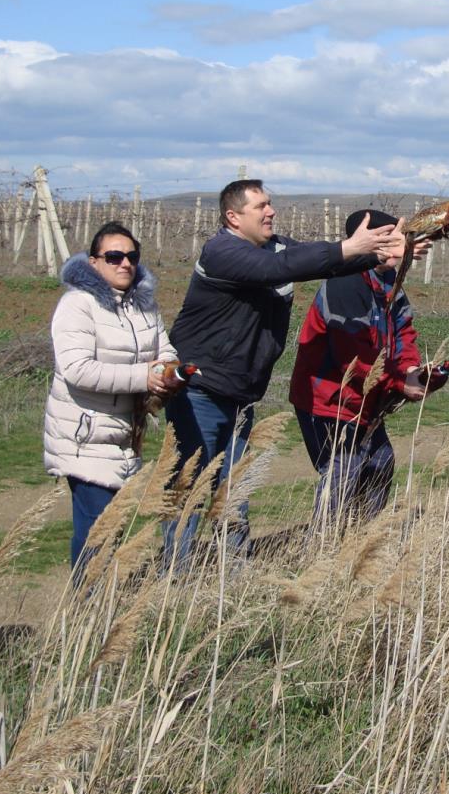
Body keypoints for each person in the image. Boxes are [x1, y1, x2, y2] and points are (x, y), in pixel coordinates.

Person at [164, 179, 403, 563]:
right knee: (189, 488)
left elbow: (318, 260)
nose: (271, 211)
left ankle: (231, 571)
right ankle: (174, 575)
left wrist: (379, 255)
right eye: (261, 206)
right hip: (201, 390)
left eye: (270, 203)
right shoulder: (222, 251)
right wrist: (350, 248)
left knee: (235, 491)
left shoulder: (274, 247)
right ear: (233, 217)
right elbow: (280, 268)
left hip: (241, 394)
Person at [43, 222, 181, 568]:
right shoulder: (77, 305)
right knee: (98, 530)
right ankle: (87, 597)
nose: (125, 263)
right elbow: (77, 369)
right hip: (85, 434)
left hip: (125, 433)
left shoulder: (144, 306)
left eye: (132, 256)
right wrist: (143, 377)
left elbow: (164, 349)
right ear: (93, 262)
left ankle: (99, 595)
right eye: (114, 256)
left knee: (111, 528)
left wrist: (168, 372)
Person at [289, 209, 433, 528]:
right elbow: (352, 358)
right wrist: (400, 383)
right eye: (394, 238)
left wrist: (411, 369)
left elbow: (403, 330)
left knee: (380, 461)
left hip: (363, 398)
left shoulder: (389, 281)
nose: (403, 245)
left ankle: (363, 536)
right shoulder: (345, 283)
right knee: (344, 469)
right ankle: (323, 545)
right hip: (328, 398)